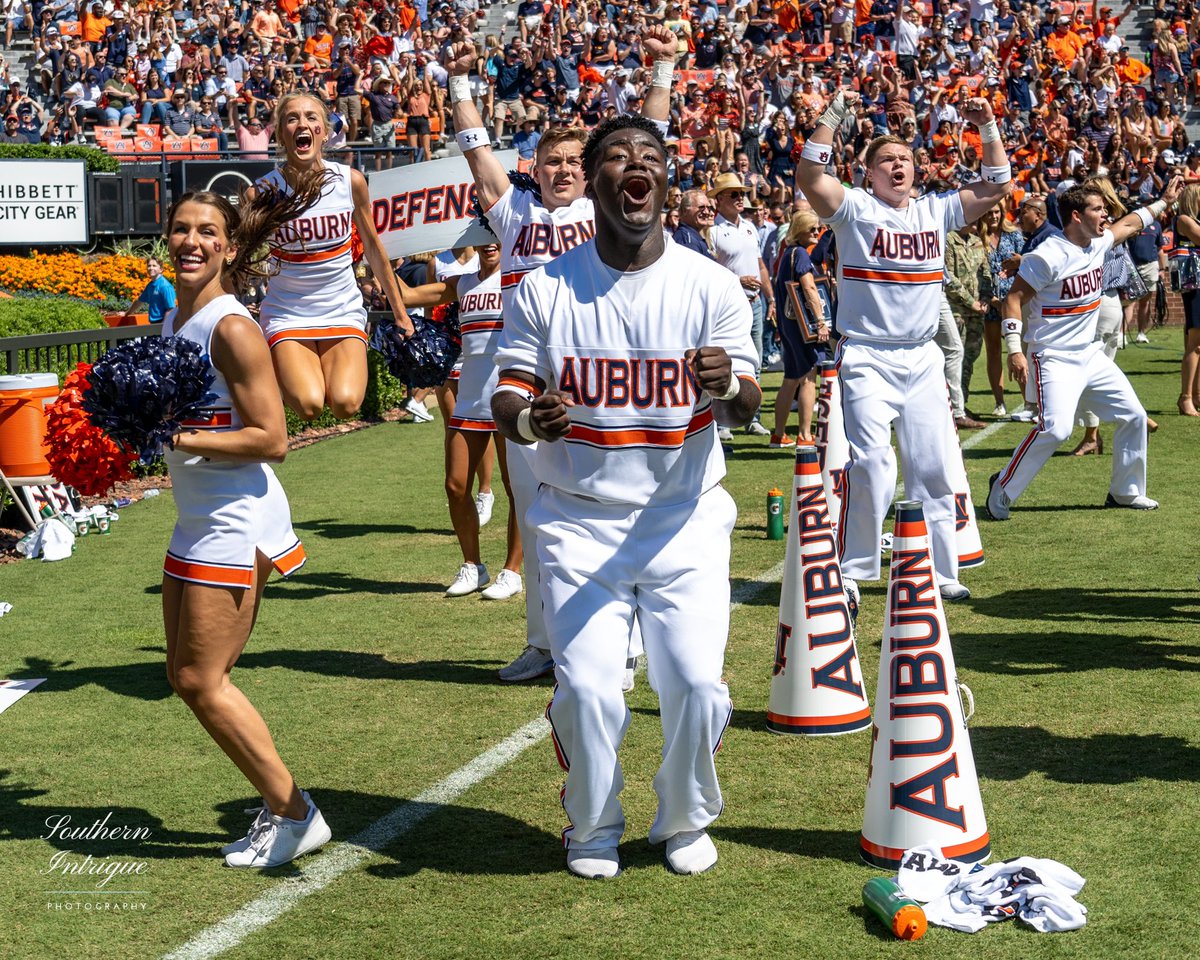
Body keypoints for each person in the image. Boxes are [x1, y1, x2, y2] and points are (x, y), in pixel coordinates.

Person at [492, 115, 760, 880]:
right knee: (586, 692)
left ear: (667, 182)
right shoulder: (546, 285)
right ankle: (593, 824)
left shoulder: (709, 282)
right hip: (578, 521)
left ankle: (682, 817)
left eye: (649, 156)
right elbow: (507, 392)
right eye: (616, 157)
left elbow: (746, 404)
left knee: (697, 686)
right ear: (599, 182)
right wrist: (527, 418)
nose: (633, 166)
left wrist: (729, 387)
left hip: (684, 518)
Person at [442, 26, 676, 684]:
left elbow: (649, 148)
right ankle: (544, 643)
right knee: (540, 519)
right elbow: (475, 148)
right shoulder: (513, 214)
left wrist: (660, 74)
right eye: (553, 163)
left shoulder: (608, 211)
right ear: (536, 170)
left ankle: (624, 646)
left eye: (576, 162)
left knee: (613, 513)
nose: (565, 170)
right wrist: (460, 81)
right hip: (525, 388)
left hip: (599, 386)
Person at [161, 185, 331, 868]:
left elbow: (272, 437)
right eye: (180, 229)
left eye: (207, 232)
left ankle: (294, 813)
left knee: (204, 680)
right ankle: (282, 808)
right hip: (195, 514)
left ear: (229, 249)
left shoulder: (232, 326)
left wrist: (173, 436)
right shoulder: (178, 319)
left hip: (233, 518)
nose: (192, 241)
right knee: (183, 675)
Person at [795, 89, 1012, 607]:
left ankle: (940, 571)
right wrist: (831, 116)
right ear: (866, 172)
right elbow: (809, 179)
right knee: (873, 466)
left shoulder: (935, 212)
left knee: (933, 466)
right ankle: (854, 569)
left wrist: (987, 127)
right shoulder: (855, 209)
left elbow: (998, 185)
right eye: (887, 160)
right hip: (867, 354)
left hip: (920, 354)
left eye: (906, 160)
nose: (899, 166)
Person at [985, 178, 1184, 522]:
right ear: (1076, 216)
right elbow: (1013, 300)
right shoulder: (1048, 254)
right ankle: (1002, 485)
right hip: (1053, 355)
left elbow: (1130, 223)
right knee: (1056, 429)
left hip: (1089, 353)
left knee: (1133, 416)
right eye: (1097, 209)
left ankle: (1126, 491)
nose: (1105, 214)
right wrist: (1015, 349)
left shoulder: (1097, 242)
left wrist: (1164, 201)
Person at [243, 93, 413, 422]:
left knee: (347, 404)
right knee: (308, 404)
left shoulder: (349, 181)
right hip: (288, 313)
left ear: (323, 130)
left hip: (341, 307)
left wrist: (401, 314)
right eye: (292, 118)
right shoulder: (261, 192)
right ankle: (275, 365)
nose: (302, 124)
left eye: (310, 117)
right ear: (279, 132)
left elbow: (375, 250)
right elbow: (240, 258)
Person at [397, 243, 524, 600]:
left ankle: (512, 570)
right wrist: (379, 257)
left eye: (494, 233)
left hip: (510, 392)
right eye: (481, 234)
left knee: (518, 487)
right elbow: (407, 296)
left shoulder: (519, 276)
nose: (490, 243)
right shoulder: (463, 283)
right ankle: (473, 564)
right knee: (455, 485)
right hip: (470, 393)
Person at [770, 210, 830, 447]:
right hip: (802, 326)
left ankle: (779, 434)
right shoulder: (802, 254)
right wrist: (821, 321)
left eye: (818, 228)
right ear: (801, 231)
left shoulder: (787, 254)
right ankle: (805, 435)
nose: (817, 232)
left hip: (788, 325)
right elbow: (809, 289)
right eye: (812, 229)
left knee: (790, 379)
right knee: (807, 378)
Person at [1169, 183, 1200, 416]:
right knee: (1195, 344)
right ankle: (1185, 397)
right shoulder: (1184, 220)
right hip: (1195, 287)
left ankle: (1197, 395)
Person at [126, 255, 176, 323]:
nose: (151, 268)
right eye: (149, 266)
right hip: (153, 323)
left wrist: (162, 326)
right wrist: (127, 313)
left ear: (161, 269)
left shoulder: (165, 286)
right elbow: (139, 301)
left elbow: (171, 309)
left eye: (154, 266)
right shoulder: (150, 285)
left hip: (162, 322)